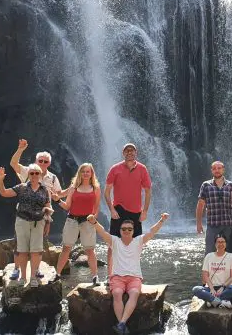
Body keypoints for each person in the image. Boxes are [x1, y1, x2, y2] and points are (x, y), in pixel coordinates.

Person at [88, 212, 169, 335]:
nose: (126, 231)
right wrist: (94, 222)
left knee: (135, 293)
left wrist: (162, 220)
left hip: (134, 278)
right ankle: (122, 325)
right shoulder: (114, 241)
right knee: (117, 293)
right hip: (117, 277)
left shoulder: (138, 241)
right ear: (120, 230)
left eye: (129, 229)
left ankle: (121, 323)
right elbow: (102, 231)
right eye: (123, 229)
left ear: (133, 231)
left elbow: (152, 232)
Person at [9, 139, 65, 279]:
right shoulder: (29, 171)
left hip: (42, 217)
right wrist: (20, 149)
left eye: (46, 161)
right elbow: (13, 164)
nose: (43, 163)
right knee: (19, 244)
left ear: (49, 163)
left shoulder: (52, 178)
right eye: (40, 160)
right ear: (36, 160)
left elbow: (58, 193)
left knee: (38, 246)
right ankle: (16, 269)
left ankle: (37, 270)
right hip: (24, 215)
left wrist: (71, 190)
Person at [0, 165, 53, 287]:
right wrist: (0, 180)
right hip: (22, 221)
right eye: (31, 173)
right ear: (28, 174)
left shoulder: (44, 190)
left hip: (39, 222)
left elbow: (48, 206)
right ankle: (23, 276)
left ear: (40, 175)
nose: (34, 176)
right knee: (22, 250)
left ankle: (33, 277)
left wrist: (48, 222)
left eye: (36, 173)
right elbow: (4, 193)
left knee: (36, 251)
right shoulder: (22, 187)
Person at [105, 143, 152, 277]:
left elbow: (148, 191)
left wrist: (145, 211)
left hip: (136, 212)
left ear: (136, 153)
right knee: (112, 243)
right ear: (123, 153)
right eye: (127, 150)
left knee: (137, 245)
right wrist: (112, 210)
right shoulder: (115, 169)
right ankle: (110, 275)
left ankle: (133, 274)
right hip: (118, 210)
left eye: (132, 150)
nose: (130, 152)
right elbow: (106, 192)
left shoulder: (142, 169)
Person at [53, 163, 101, 284]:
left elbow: (96, 208)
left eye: (88, 171)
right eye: (83, 171)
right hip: (72, 220)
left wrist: (94, 219)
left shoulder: (96, 188)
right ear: (80, 173)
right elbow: (67, 206)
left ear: (91, 173)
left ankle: (95, 276)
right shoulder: (73, 188)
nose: (85, 173)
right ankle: (57, 274)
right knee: (66, 248)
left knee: (90, 250)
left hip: (88, 221)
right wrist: (58, 200)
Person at [196, 161, 232, 253]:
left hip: (228, 224)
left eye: (219, 168)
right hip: (212, 224)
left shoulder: (231, 185)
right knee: (209, 251)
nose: (217, 170)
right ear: (211, 171)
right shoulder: (206, 185)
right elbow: (200, 205)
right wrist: (199, 223)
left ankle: (231, 268)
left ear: (223, 169)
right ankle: (208, 268)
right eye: (214, 168)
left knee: (230, 251)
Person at [191, 233, 232, 308]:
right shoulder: (209, 256)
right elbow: (205, 276)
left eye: (223, 242)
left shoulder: (231, 256)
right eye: (218, 242)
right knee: (196, 289)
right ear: (215, 244)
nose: (221, 244)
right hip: (210, 287)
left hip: (225, 288)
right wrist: (212, 288)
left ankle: (212, 300)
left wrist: (223, 287)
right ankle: (221, 301)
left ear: (226, 244)